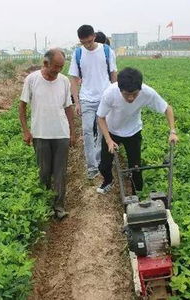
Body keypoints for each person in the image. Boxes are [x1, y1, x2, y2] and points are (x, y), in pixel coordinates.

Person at [96, 67, 178, 194]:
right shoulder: (110, 93)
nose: (130, 98)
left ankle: (137, 195)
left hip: (133, 132)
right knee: (104, 166)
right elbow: (100, 117)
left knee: (136, 168)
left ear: (140, 88)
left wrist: (172, 132)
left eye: (134, 94)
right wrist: (108, 140)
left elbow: (167, 109)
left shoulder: (147, 92)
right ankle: (108, 181)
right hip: (112, 131)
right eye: (126, 94)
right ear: (119, 89)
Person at [19, 48, 76, 220]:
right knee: (44, 171)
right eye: (56, 67)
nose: (58, 71)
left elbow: (68, 107)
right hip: (41, 134)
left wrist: (72, 132)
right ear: (45, 63)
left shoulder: (64, 81)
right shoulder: (32, 79)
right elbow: (22, 106)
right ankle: (45, 205)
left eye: (61, 67)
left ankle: (59, 206)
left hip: (61, 133)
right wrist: (26, 131)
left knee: (60, 172)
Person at [69, 24, 117, 180]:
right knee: (88, 131)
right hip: (87, 98)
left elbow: (113, 74)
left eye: (90, 41)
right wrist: (77, 102)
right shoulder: (77, 54)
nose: (88, 45)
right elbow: (74, 79)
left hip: (105, 97)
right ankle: (91, 167)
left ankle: (99, 160)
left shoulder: (106, 51)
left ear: (94, 36)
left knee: (103, 132)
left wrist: (116, 96)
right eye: (84, 43)